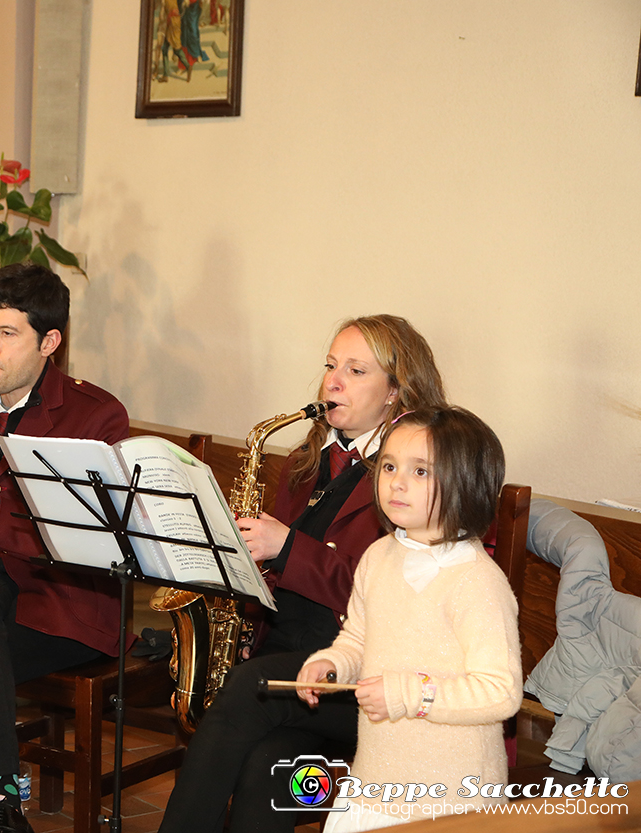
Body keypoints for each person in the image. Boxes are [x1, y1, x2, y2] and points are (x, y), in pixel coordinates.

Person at [157, 314, 447, 833]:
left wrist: (286, 546)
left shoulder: (416, 473)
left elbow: (388, 595)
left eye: (356, 371)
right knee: (268, 767)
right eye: (331, 366)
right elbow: (276, 572)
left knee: (248, 690)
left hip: (367, 676)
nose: (332, 381)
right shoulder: (310, 459)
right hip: (293, 671)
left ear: (396, 392)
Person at [0, 263, 128, 833]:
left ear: (50, 343)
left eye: (6, 334)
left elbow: (83, 535)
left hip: (63, 603)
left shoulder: (96, 415)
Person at [298, 407, 520, 829]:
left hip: (451, 799)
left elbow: (501, 692)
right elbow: (358, 640)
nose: (396, 482)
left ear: (466, 485)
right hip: (375, 781)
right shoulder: (379, 556)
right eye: (388, 466)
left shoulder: (477, 582)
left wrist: (408, 693)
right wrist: (331, 664)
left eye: (420, 472)